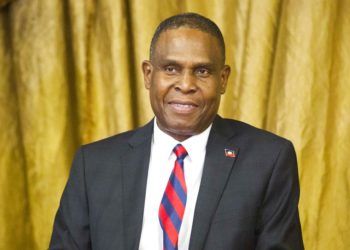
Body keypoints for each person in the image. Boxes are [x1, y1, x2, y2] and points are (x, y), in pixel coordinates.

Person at [50, 13, 304, 250]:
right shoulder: (93, 164)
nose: (185, 85)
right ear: (148, 75)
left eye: (202, 71)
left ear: (223, 79)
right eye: (171, 69)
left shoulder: (268, 160)